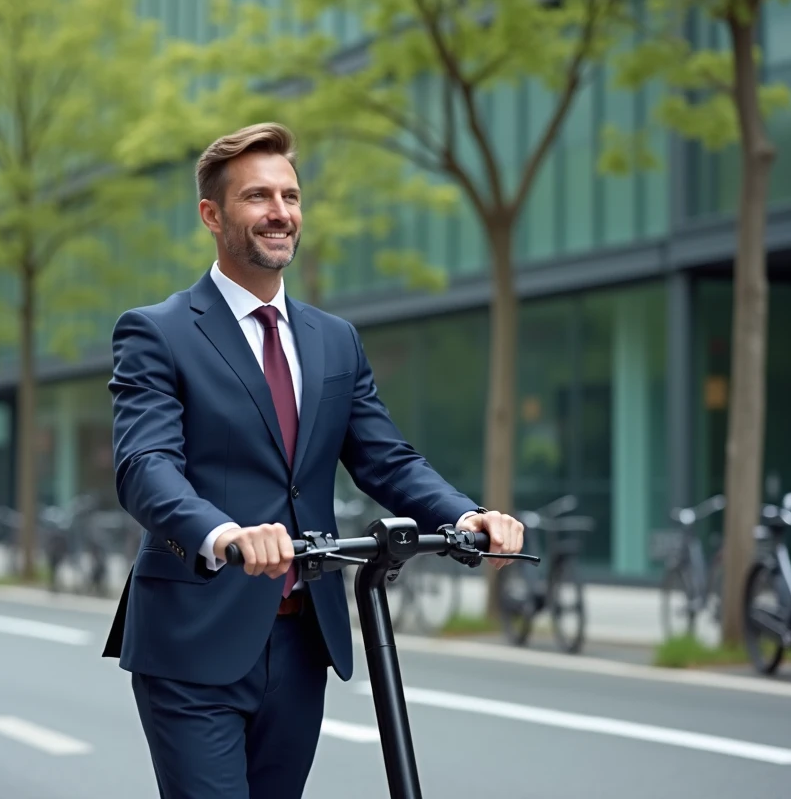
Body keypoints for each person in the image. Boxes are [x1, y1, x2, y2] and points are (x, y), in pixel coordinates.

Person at [102, 122, 524, 799]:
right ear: (212, 215)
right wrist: (225, 533)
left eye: (291, 196)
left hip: (303, 642)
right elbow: (145, 465)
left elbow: (386, 459)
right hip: (194, 639)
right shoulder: (158, 332)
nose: (281, 213)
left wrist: (468, 515)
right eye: (258, 197)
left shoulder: (334, 340)